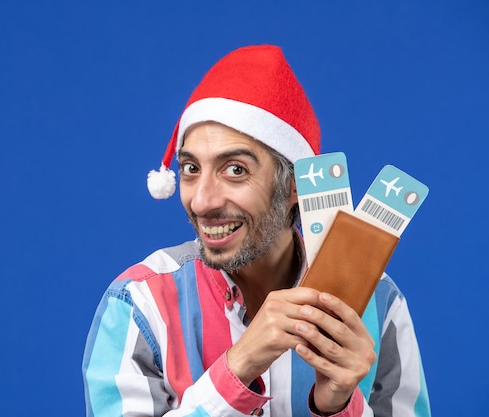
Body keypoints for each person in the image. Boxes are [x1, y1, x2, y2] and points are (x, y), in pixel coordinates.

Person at [82, 45, 430, 417]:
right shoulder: (139, 305)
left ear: (295, 184)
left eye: (235, 170)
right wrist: (238, 368)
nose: (202, 202)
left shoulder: (379, 304)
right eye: (190, 168)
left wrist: (339, 407)